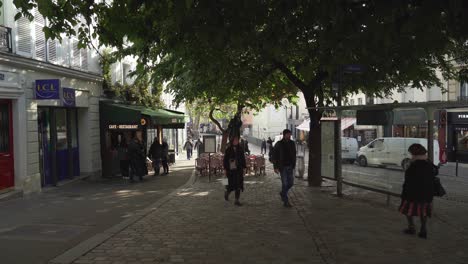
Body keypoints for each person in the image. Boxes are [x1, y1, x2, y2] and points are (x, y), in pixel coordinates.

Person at [399, 143, 437, 239]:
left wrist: (404, 192)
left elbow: (409, 180)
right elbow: (434, 174)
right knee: (423, 212)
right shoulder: (428, 163)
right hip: (427, 193)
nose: (410, 154)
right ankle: (423, 230)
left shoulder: (414, 165)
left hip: (413, 193)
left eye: (411, 152)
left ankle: (411, 227)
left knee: (408, 211)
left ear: (414, 153)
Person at [273, 129, 296, 207]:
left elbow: (294, 154)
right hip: (282, 167)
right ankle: (286, 201)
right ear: (284, 135)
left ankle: (283, 193)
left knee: (291, 183)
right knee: (285, 183)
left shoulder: (292, 143)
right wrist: (275, 167)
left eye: (290, 134)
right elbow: (274, 156)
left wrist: (294, 164)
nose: (289, 136)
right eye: (288, 134)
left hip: (290, 166)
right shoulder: (279, 144)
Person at [223, 135, 247, 206]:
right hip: (231, 171)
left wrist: (244, 168)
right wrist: (225, 169)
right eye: (235, 140)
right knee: (230, 185)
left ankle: (237, 200)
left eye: (237, 140)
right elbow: (225, 160)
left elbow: (243, 159)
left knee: (238, 186)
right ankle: (227, 193)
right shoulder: (228, 149)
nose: (236, 141)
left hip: (239, 170)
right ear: (232, 141)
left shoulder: (240, 149)